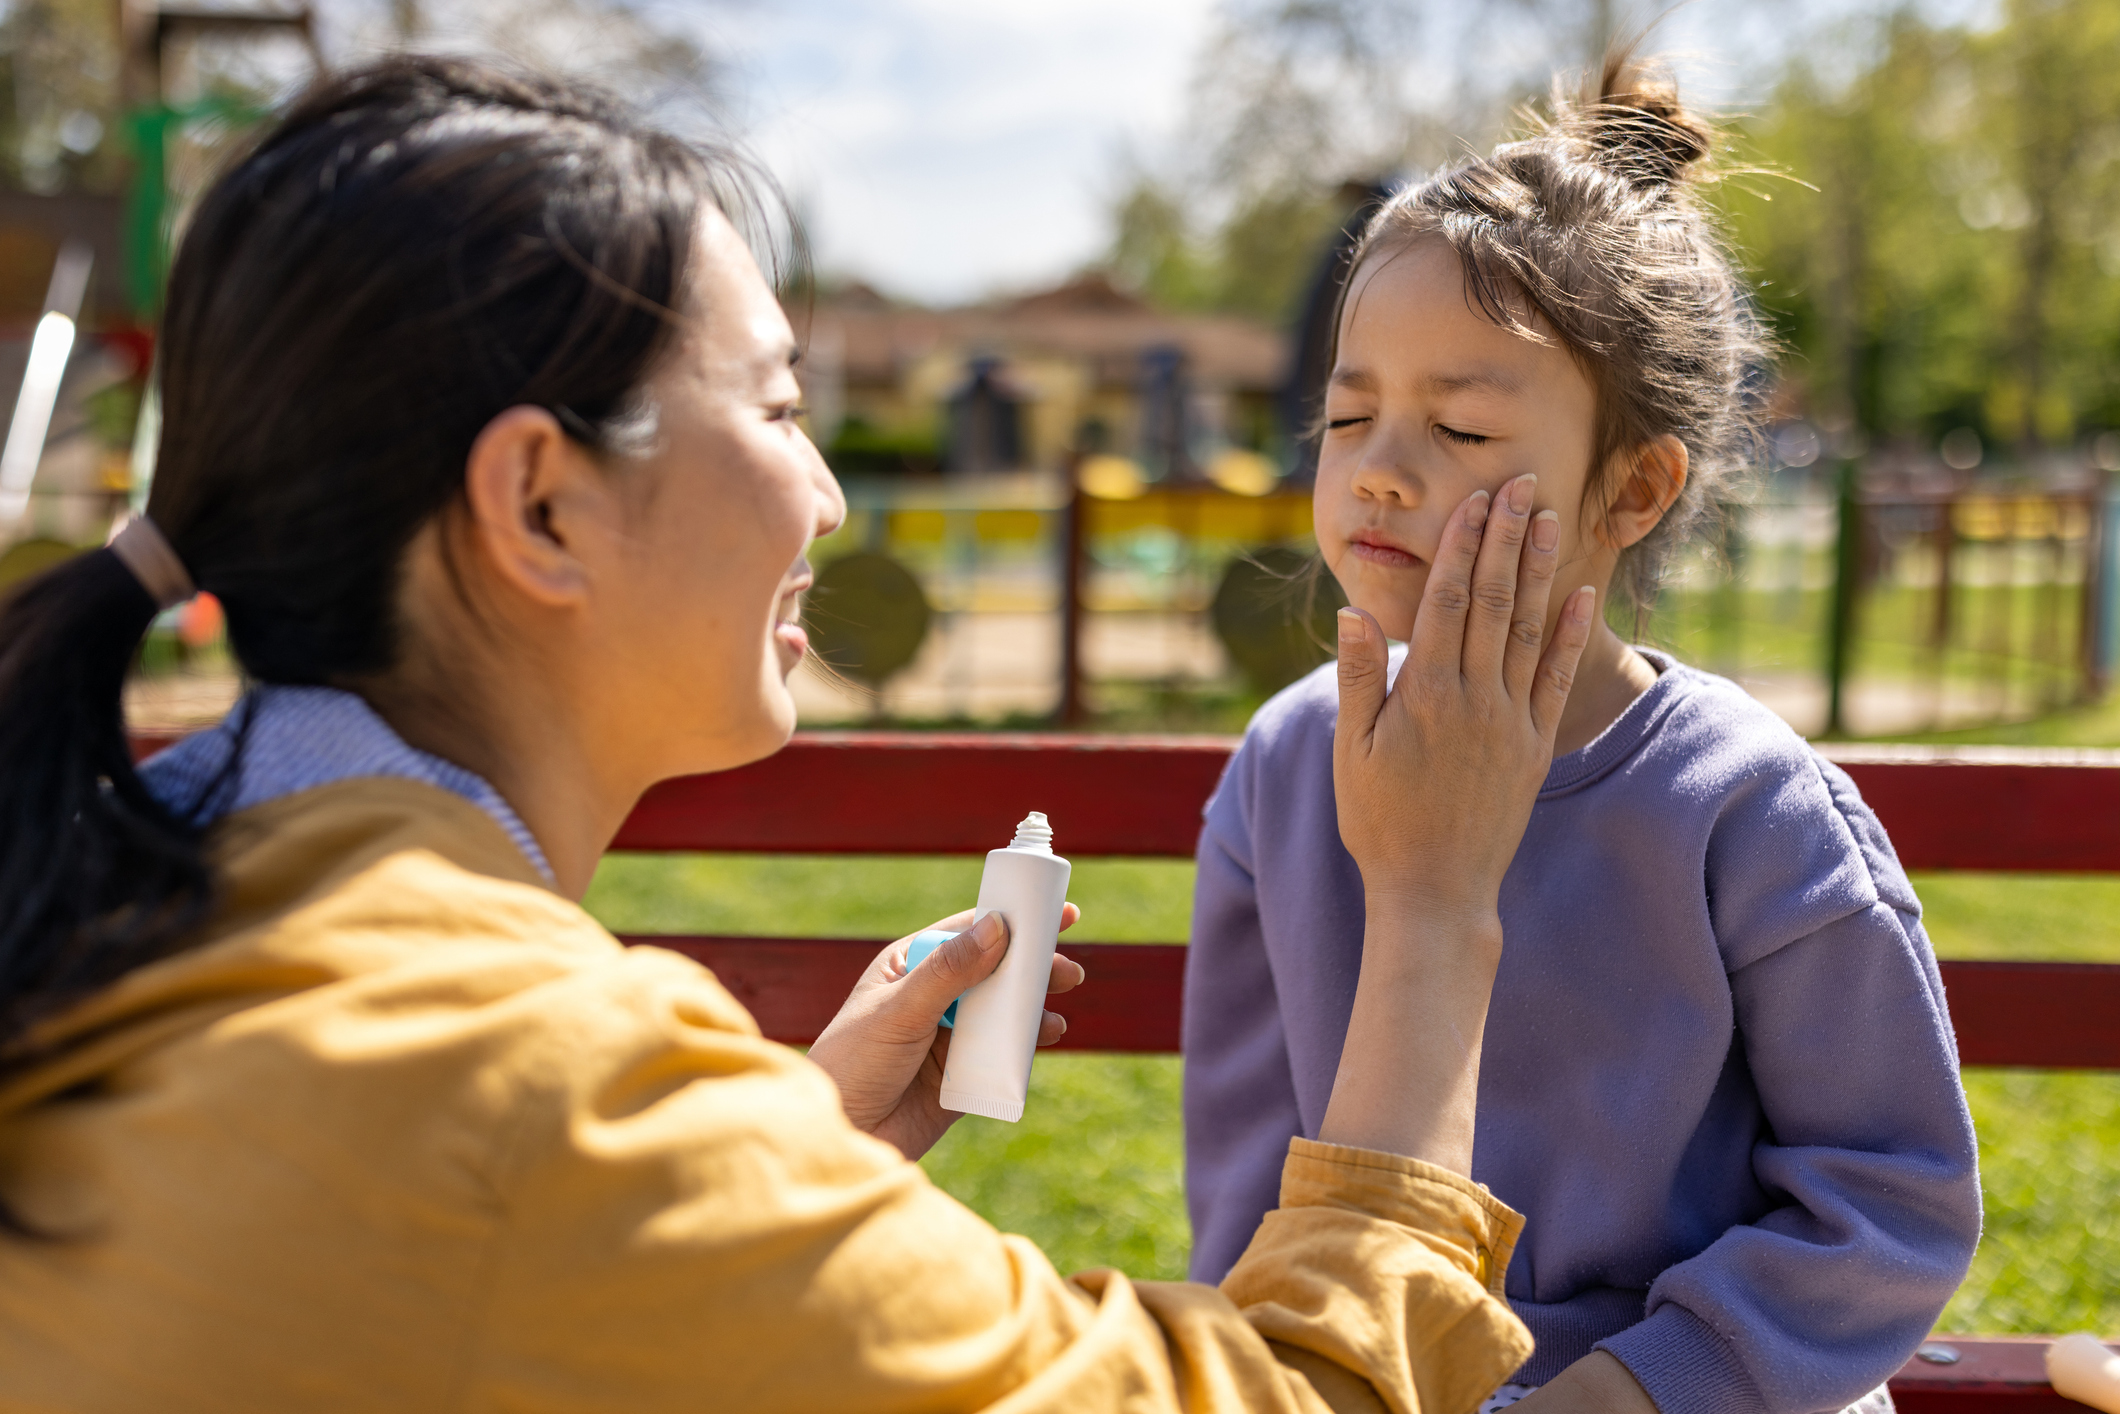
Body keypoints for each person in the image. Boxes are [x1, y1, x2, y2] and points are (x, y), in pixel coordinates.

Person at [0, 57, 1595, 1413]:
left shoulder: (126, 895)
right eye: (773, 408)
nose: (827, 493)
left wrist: (791, 1158)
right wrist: (1439, 903)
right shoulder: (552, 1097)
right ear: (541, 504)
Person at [1182, 49, 1983, 1414]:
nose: (1379, 465)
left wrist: (1632, 1388)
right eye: (1349, 413)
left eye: (1460, 424)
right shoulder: (1282, 768)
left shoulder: (1748, 804)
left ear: (1635, 488)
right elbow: (1255, 1178)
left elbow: (1887, 1198)